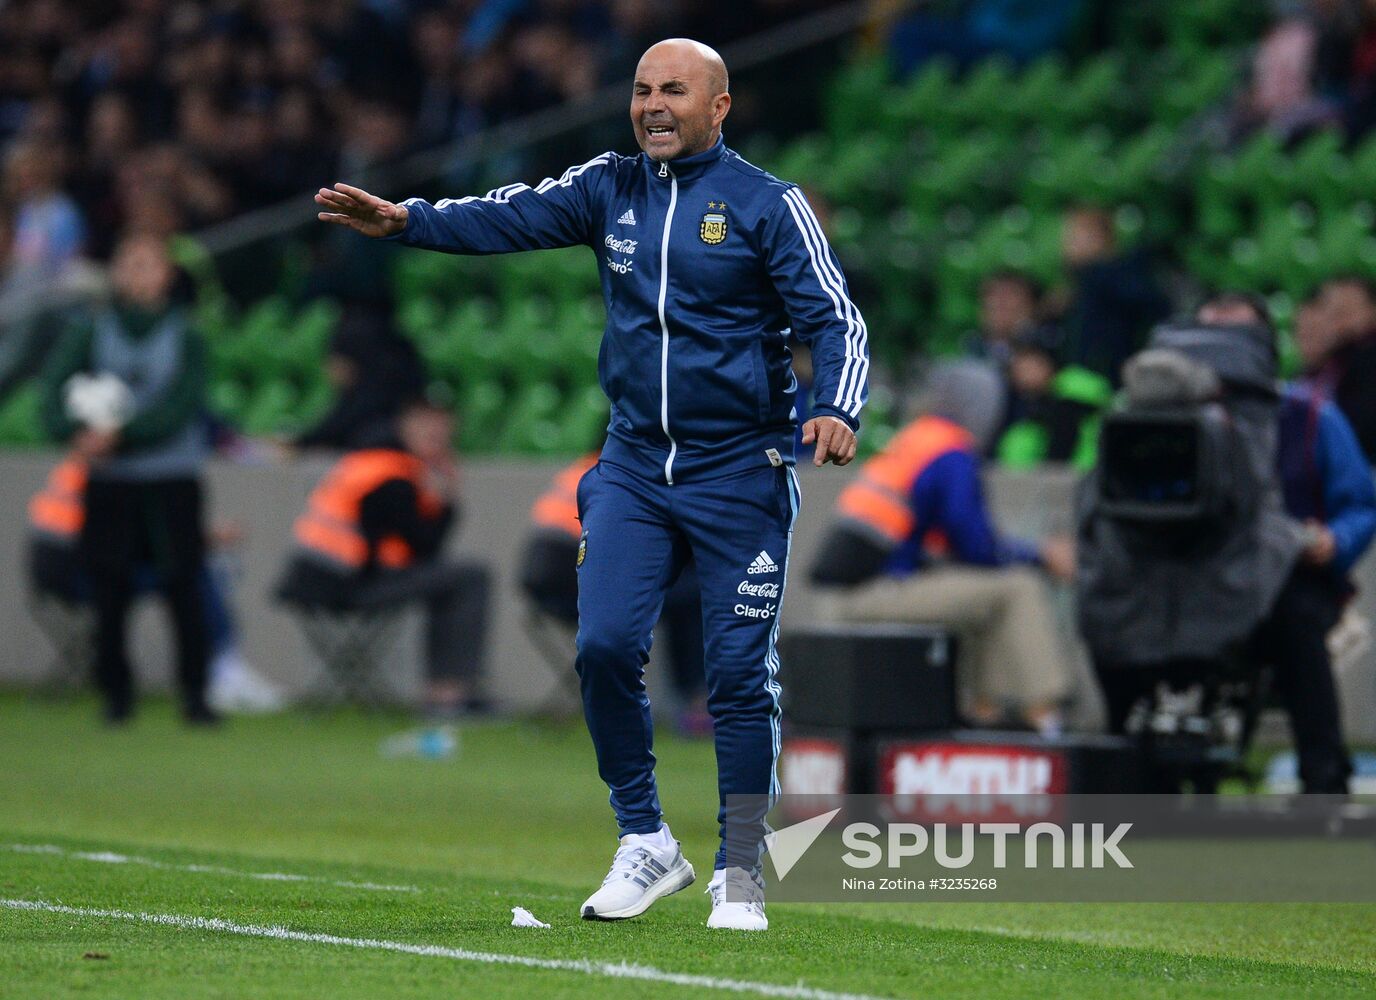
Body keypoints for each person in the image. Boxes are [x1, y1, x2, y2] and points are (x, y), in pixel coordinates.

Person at [316, 37, 867, 931]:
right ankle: (646, 839)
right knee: (605, 646)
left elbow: (835, 316)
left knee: (735, 674)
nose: (652, 105)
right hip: (635, 465)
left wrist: (838, 405)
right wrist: (409, 221)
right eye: (643, 90)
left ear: (718, 107)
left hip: (741, 471)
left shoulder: (770, 205)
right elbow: (505, 216)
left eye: (674, 91)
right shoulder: (607, 186)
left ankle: (738, 867)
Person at [810, 361, 1077, 734]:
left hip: (861, 590)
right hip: (880, 592)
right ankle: (1050, 717)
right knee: (1019, 588)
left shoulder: (917, 438)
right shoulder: (950, 450)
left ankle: (984, 711)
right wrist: (1041, 555)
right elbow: (979, 548)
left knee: (985, 597)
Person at [38, 233, 214, 725]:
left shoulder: (187, 335)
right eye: (129, 264)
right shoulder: (92, 332)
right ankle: (115, 695)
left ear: (166, 275)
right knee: (109, 587)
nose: (139, 275)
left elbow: (182, 405)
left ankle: (195, 694)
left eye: (148, 265)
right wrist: (73, 432)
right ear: (116, 273)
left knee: (183, 583)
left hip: (170, 479)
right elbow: (53, 390)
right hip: (111, 483)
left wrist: (122, 435)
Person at [276, 396, 491, 716]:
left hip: (315, 579)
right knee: (470, 576)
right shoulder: (392, 474)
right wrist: (446, 498)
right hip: (345, 585)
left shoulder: (370, 460)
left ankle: (446, 691)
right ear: (405, 424)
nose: (438, 434)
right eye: (427, 425)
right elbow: (425, 546)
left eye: (442, 426)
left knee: (452, 578)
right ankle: (448, 694)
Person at [26, 452, 282, 713]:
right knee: (191, 578)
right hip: (81, 576)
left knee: (183, 573)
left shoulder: (81, 467)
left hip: (65, 572)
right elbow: (128, 538)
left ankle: (221, 667)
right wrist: (206, 539)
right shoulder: (111, 472)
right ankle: (224, 668)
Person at [520, 451, 709, 734]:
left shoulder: (585, 468)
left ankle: (694, 699)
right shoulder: (629, 472)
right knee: (695, 594)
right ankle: (697, 701)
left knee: (683, 596)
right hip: (582, 577)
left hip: (548, 582)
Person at [994, 323, 1112, 471]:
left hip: (1091, 472)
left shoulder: (1073, 384)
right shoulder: (1029, 404)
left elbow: (1065, 435)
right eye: (1018, 363)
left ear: (1048, 361)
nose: (1023, 371)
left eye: (1031, 361)